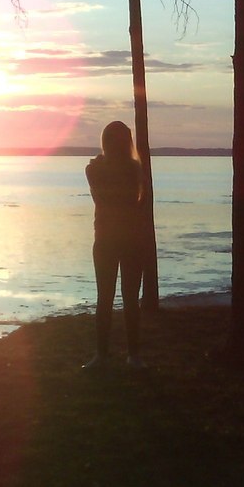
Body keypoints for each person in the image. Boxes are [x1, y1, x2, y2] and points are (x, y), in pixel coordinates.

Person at [83, 120, 145, 369]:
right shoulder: (95, 169)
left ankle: (131, 354)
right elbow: (103, 195)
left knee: (129, 299)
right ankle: (104, 354)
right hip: (108, 240)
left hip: (127, 240)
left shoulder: (131, 169)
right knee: (106, 298)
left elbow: (125, 198)